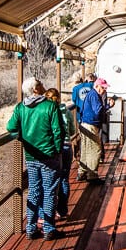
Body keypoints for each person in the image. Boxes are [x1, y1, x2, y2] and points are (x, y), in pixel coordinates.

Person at [6, 77, 65, 240]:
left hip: (31, 156)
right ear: (35, 90)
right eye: (40, 84)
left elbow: (10, 127)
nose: (43, 86)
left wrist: (21, 138)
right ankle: (48, 228)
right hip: (49, 156)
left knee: (34, 191)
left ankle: (31, 228)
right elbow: (58, 131)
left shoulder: (20, 108)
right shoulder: (50, 106)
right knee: (50, 191)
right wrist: (57, 150)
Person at [44, 87, 76, 219]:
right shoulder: (66, 111)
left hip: (53, 148)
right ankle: (62, 210)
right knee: (64, 179)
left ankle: (48, 213)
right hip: (67, 146)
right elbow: (73, 130)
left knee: (50, 180)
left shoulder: (46, 111)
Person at [77, 77, 109, 182]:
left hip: (84, 124)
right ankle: (92, 175)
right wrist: (108, 106)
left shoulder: (91, 94)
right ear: (97, 86)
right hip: (91, 125)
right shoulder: (95, 95)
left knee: (86, 150)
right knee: (95, 150)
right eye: (103, 87)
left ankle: (82, 172)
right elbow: (98, 110)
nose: (104, 90)